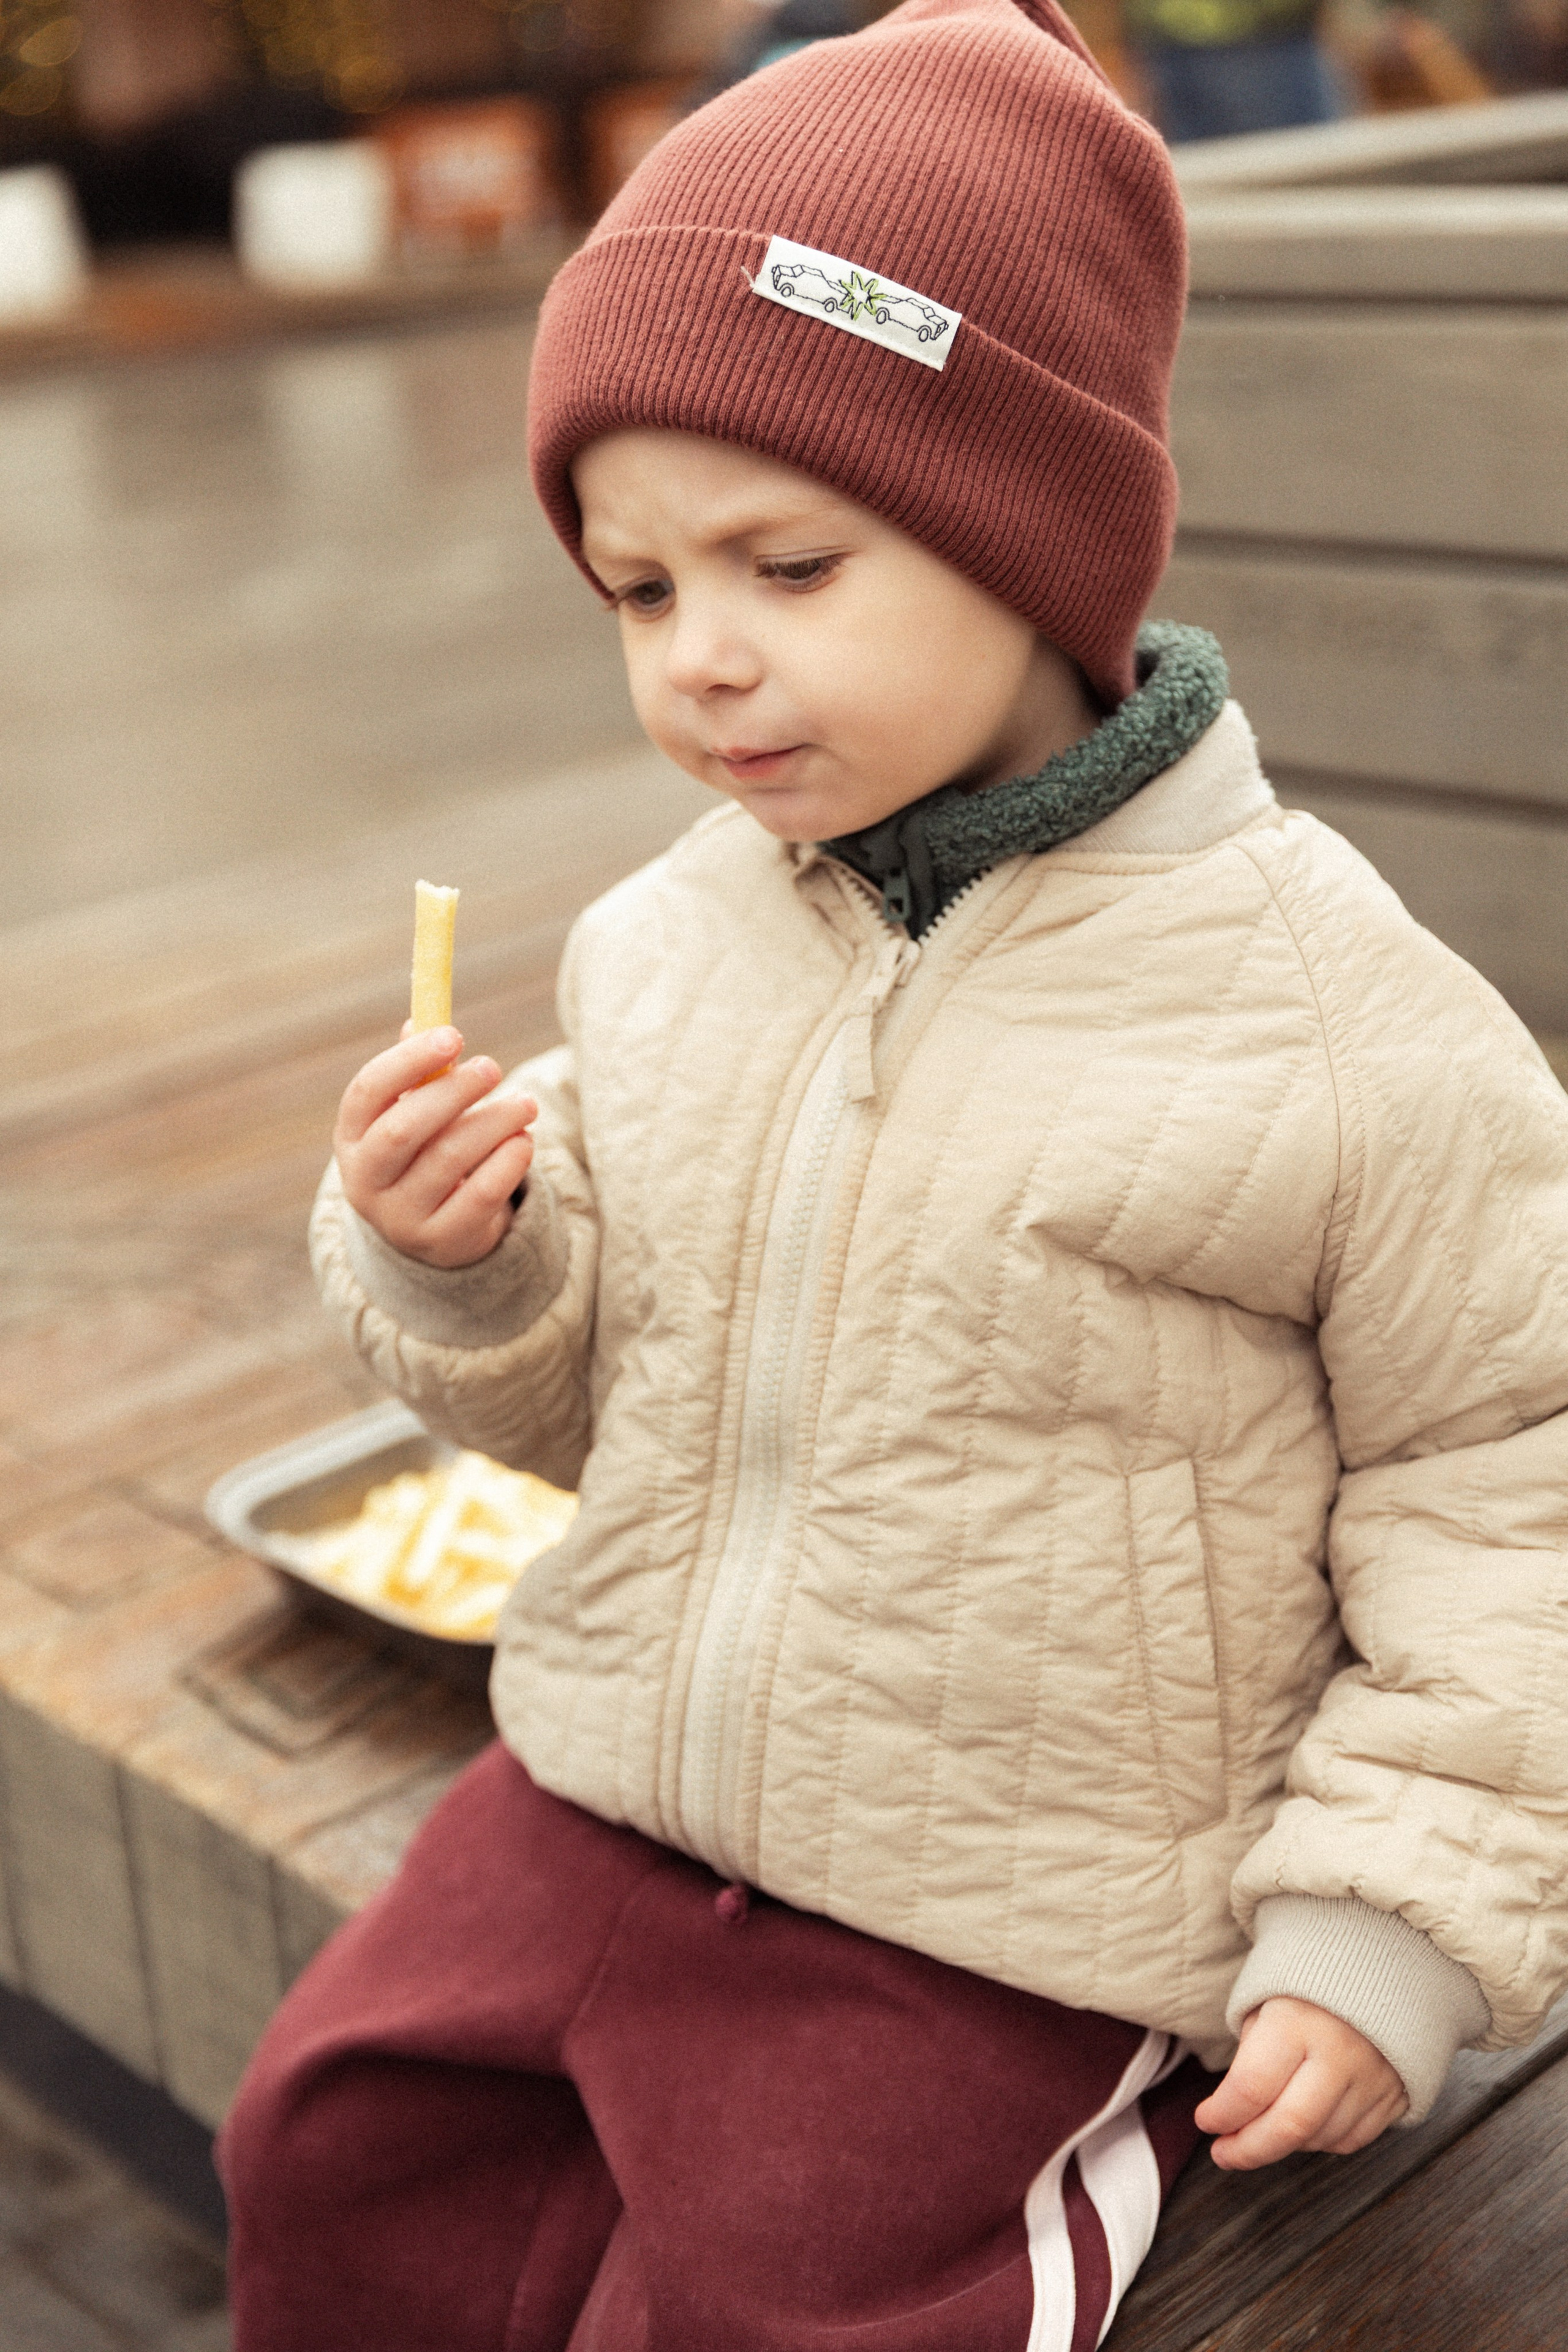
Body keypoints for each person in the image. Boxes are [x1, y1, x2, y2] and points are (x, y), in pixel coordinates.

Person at [217, 0, 1568, 2342]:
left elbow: (1514, 1479)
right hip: (617, 1767)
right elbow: (599, 1401)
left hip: (1021, 1896)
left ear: (1024, 537)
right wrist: (476, 1267)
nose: (702, 667)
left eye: (787, 566)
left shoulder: (1335, 1015)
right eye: (642, 593)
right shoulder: (674, 945)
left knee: (796, 2295)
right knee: (331, 2155)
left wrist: (1397, 1917)